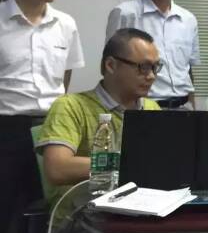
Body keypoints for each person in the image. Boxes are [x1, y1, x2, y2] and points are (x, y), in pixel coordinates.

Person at [0, 0, 84, 233]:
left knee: (50, 210)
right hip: (6, 129)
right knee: (6, 209)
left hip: (52, 131)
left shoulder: (66, 24)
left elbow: (64, 79)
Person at [37, 28, 161, 187]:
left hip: (143, 197)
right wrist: (127, 163)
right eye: (143, 67)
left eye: (155, 67)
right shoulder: (70, 106)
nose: (151, 76)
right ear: (111, 65)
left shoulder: (151, 107)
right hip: (87, 200)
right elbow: (57, 169)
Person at [106, 0, 200, 110]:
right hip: (143, 106)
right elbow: (111, 66)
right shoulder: (126, 13)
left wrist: (193, 105)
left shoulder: (188, 19)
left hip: (183, 107)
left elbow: (188, 69)